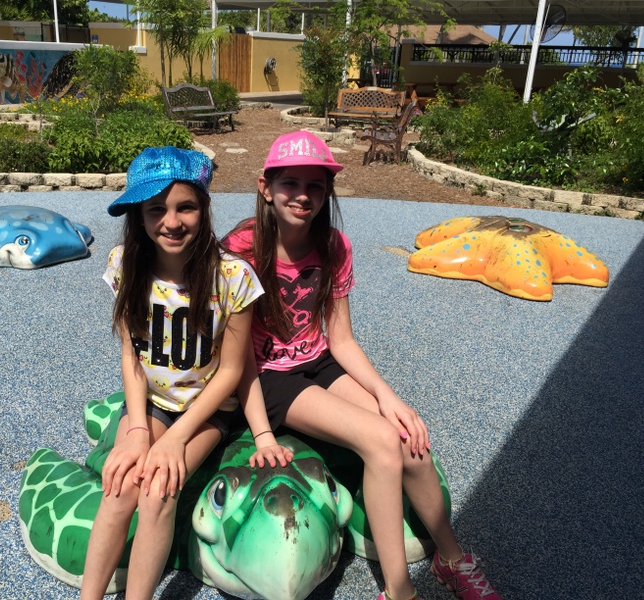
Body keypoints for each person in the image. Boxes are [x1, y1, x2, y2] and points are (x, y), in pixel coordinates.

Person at [223, 131, 502, 600]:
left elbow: (342, 339)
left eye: (315, 186)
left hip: (318, 362)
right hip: (268, 376)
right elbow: (236, 355)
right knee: (380, 441)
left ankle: (451, 558)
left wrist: (389, 397)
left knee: (409, 438)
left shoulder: (333, 246)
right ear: (265, 187)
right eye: (290, 183)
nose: (303, 196)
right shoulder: (241, 249)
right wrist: (261, 431)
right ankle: (399, 590)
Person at [81, 147, 289, 600]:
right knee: (119, 487)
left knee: (158, 491)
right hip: (153, 404)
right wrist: (138, 429)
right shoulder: (125, 265)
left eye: (185, 207)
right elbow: (131, 355)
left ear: (204, 207)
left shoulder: (232, 277)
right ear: (139, 216)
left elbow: (232, 370)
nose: (171, 222)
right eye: (156, 209)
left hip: (206, 411)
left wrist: (176, 438)